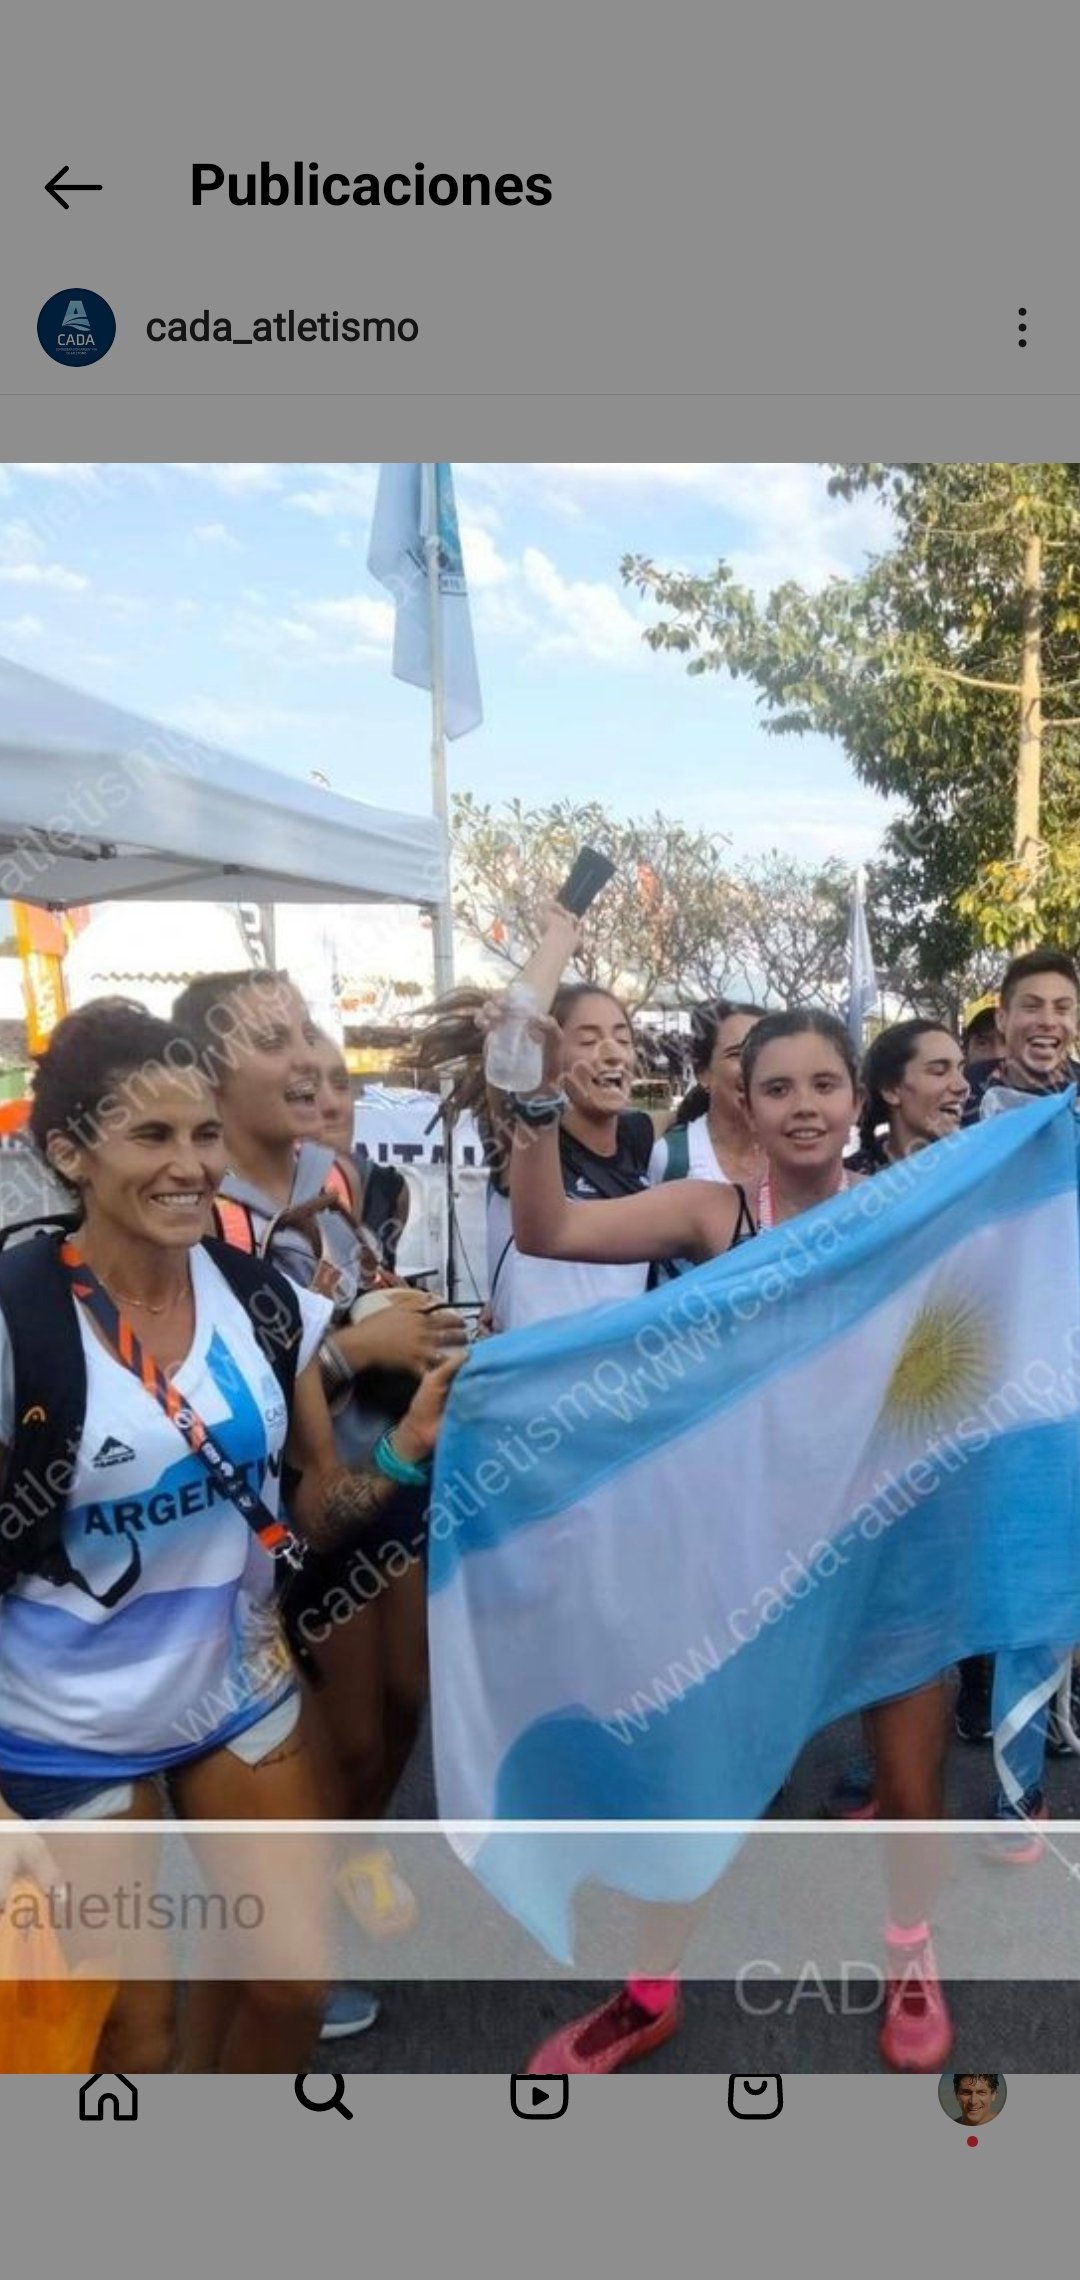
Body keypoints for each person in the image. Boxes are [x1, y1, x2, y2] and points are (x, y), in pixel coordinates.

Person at [0, 999, 461, 2073]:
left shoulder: (268, 1302)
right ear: (68, 1151)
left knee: (290, 1983)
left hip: (236, 1688)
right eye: (150, 1137)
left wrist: (404, 1452)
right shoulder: (16, 1321)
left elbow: (311, 1511)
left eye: (203, 1134)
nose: (189, 1166)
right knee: (132, 2035)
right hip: (59, 1730)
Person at [508, 1002, 952, 2075]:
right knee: (696, 1782)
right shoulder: (713, 1214)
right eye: (778, 1088)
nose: (803, 1108)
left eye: (824, 1085)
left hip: (887, 1542)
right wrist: (529, 1108)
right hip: (739, 1554)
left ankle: (910, 1956)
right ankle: (650, 1994)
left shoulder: (913, 1208)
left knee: (911, 1784)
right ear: (741, 1104)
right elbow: (548, 1231)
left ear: (860, 1098)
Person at [172, 968, 467, 2038]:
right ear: (206, 1072)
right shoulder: (191, 1212)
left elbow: (359, 1292)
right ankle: (294, 1942)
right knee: (331, 1737)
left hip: (388, 1478)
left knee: (402, 1706)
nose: (305, 1059)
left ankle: (343, 1863)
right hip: (296, 1522)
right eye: (270, 1039)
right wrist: (352, 1348)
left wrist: (410, 1326)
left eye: (306, 1030)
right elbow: (208, 1395)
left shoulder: (330, 1179)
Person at [821, 1022, 970, 1818]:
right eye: (938, 1070)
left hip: (951, 1432)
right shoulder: (849, 1188)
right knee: (863, 1621)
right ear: (889, 1091)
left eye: (959, 1070)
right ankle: (875, 1768)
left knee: (923, 1631)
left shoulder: (984, 1173)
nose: (958, 1085)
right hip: (855, 1445)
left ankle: (906, 1779)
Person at [955, 949, 1080, 1841]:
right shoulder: (973, 1131)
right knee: (1027, 1583)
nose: (1048, 1021)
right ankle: (1014, 1791)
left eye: (1063, 1008)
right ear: (1001, 1024)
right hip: (1015, 1392)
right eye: (1030, 1006)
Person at [648, 999, 767, 1195]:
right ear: (704, 1073)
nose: (753, 1066)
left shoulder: (795, 1151)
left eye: (764, 1053)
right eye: (737, 1054)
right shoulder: (672, 1158)